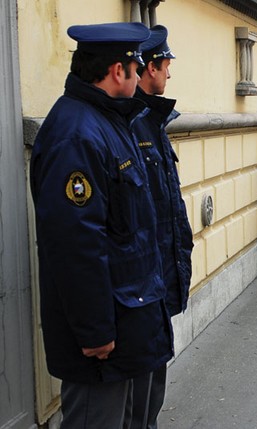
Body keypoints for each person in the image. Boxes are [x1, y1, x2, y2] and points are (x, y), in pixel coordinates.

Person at [29, 22, 174, 428]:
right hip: (105, 343)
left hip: (132, 319)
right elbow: (75, 243)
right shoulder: (77, 134)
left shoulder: (110, 120)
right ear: (117, 71)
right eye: (136, 65)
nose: (142, 72)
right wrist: (95, 331)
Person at [129, 25, 193, 429]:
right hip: (143, 283)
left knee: (153, 380)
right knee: (138, 395)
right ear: (149, 68)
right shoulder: (132, 124)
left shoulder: (151, 120)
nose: (169, 73)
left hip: (158, 276)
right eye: (166, 64)